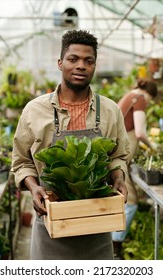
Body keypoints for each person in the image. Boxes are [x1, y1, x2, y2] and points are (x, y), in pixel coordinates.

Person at [11, 29, 130, 260]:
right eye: (73, 59)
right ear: (60, 63)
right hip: (51, 218)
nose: (81, 66)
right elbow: (22, 161)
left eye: (89, 61)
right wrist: (34, 188)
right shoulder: (34, 110)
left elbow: (119, 156)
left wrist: (118, 178)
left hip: (97, 218)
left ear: (95, 66)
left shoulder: (110, 110)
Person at [112, 78, 158, 259]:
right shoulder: (139, 99)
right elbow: (139, 132)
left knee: (120, 198)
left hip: (116, 156)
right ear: (149, 95)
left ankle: (113, 242)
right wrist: (153, 146)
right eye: (151, 101)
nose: (148, 104)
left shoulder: (128, 95)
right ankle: (116, 246)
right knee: (130, 201)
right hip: (121, 160)